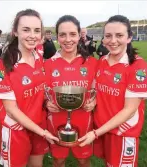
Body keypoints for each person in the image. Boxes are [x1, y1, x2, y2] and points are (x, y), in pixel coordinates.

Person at [0, 9, 58, 167]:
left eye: (36, 30)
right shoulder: (5, 63)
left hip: (39, 124)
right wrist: (42, 132)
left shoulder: (39, 58)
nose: (32, 35)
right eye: (26, 30)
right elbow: (11, 110)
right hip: (16, 129)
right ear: (15, 32)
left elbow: (39, 92)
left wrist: (46, 103)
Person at [78, 15, 147, 167]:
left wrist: (95, 133)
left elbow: (130, 110)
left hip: (122, 133)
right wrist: (94, 100)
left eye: (119, 35)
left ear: (129, 38)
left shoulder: (137, 66)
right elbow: (100, 90)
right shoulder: (102, 61)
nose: (113, 40)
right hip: (103, 129)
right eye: (108, 36)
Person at [44, 15, 97, 167]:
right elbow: (42, 91)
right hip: (56, 121)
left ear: (79, 35)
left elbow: (98, 89)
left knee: (84, 160)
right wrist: (47, 102)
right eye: (62, 35)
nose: (68, 39)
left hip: (84, 120)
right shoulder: (47, 65)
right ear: (57, 36)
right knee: (58, 160)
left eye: (72, 34)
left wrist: (95, 101)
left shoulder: (91, 63)